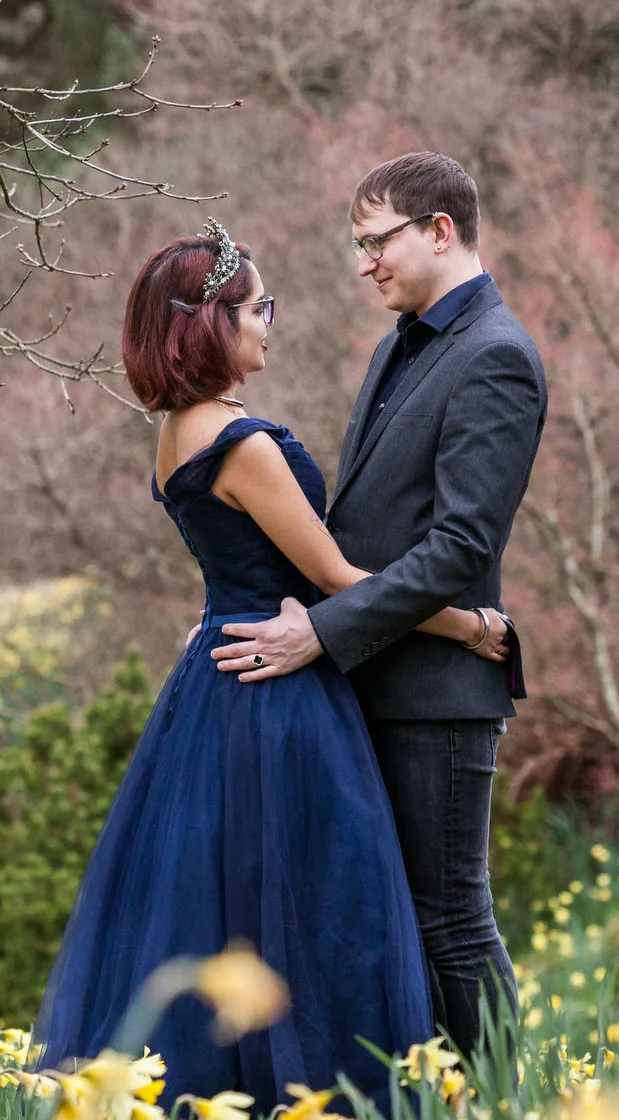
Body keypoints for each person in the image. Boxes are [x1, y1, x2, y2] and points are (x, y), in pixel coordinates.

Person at [28, 218, 513, 1117]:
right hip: (281, 694)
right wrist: (469, 625)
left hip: (216, 682)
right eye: (258, 307)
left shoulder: (175, 432)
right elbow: (332, 575)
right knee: (320, 913)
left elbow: (234, 570)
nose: (268, 323)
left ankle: (229, 1118)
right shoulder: (241, 440)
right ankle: (338, 1116)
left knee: (225, 908)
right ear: (211, 322)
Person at [210, 152, 547, 1071]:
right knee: (393, 921)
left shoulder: (497, 358)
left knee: (450, 921)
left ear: (441, 231)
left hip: (438, 695)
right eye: (358, 245)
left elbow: (459, 550)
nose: (364, 263)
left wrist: (321, 629)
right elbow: (359, 529)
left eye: (376, 242)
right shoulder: (400, 344)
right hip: (371, 681)